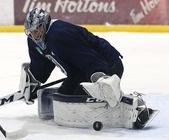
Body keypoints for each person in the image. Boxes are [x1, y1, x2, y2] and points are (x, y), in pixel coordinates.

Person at [19, 8, 157, 129]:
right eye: (30, 32)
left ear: (44, 25)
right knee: (64, 95)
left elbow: (87, 57)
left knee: (81, 95)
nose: (34, 35)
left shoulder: (60, 33)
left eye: (36, 31)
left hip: (107, 65)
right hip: (80, 70)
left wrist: (100, 77)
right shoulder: (33, 40)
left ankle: (133, 109)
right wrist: (34, 83)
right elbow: (42, 63)